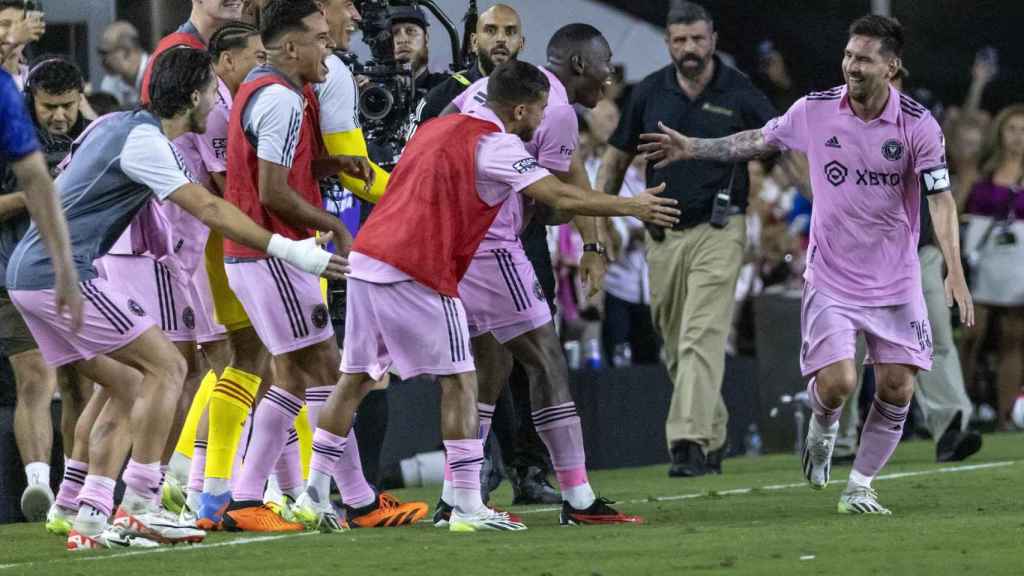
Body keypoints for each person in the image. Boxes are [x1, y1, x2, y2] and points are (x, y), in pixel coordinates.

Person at [292, 59, 677, 533]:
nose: (543, 120)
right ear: (519, 110)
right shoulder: (493, 145)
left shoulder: (439, 125)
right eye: (539, 110)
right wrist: (631, 206)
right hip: (420, 267)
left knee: (353, 380)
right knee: (464, 381)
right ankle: (468, 503)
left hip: (369, 259)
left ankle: (313, 493)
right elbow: (560, 195)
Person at [5, 46, 347, 550]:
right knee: (167, 368)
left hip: (29, 273)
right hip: (55, 274)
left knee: (124, 383)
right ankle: (143, 503)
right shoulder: (144, 141)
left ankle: (92, 515)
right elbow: (208, 206)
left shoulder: (117, 124)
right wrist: (293, 252)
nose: (217, 100)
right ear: (192, 96)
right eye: (213, 90)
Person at [639, 14, 973, 514]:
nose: (851, 66)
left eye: (863, 58)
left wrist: (954, 269)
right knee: (838, 382)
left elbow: (941, 200)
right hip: (833, 276)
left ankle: (859, 485)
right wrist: (694, 148)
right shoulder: (814, 110)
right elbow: (757, 140)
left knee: (899, 385)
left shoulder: (917, 124)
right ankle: (822, 427)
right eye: (848, 55)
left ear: (891, 65)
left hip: (896, 279)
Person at [428, 23, 642, 526]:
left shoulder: (493, 87)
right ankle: (580, 497)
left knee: (489, 367)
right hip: (493, 244)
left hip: (452, 245)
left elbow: (436, 131)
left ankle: (454, 495)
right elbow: (553, 199)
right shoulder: (557, 106)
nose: (609, 77)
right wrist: (621, 210)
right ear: (578, 64)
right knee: (547, 360)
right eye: (605, 63)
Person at [213, 0, 414, 533]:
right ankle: (346, 498)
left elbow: (275, 169)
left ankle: (261, 498)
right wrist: (338, 225)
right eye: (321, 39)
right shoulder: (279, 97)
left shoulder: (273, 87)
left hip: (260, 256)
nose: (331, 47)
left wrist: (327, 163)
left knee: (296, 376)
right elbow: (272, 191)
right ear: (291, 47)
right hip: (273, 255)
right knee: (327, 370)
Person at [596, 1, 777, 478]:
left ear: (713, 39)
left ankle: (688, 443)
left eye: (697, 39)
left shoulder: (737, 91)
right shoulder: (649, 92)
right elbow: (614, 161)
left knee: (701, 335)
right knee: (675, 346)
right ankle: (713, 433)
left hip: (720, 229)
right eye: (680, 40)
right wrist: (600, 226)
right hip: (661, 233)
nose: (689, 49)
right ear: (668, 43)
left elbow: (778, 139)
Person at [414, 3, 560, 507]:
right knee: (466, 359)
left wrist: (592, 242)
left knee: (527, 359)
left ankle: (531, 469)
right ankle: (471, 475)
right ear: (473, 38)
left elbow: (567, 171)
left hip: (526, 238)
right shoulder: (444, 96)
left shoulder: (544, 96)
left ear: (522, 41)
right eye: (491, 30)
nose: (500, 39)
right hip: (464, 246)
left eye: (510, 32)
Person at [0, 55, 93, 524]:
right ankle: (39, 486)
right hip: (12, 275)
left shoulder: (90, 135)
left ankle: (75, 490)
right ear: (29, 100)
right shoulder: (9, 137)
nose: (59, 115)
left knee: (82, 384)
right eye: (48, 106)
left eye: (68, 105)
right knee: (36, 380)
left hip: (77, 275)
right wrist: (40, 191)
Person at [960, 104, 1024, 431]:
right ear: (1000, 132)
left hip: (1019, 260)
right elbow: (955, 209)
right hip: (980, 258)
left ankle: (1004, 417)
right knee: (972, 333)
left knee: (1013, 339)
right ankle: (959, 408)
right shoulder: (981, 169)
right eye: (1012, 129)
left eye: (1023, 130)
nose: (1017, 137)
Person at [389, 5, 447, 100]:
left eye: (411, 31)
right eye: (394, 33)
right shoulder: (370, 92)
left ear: (426, 38)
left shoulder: (448, 88)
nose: (402, 40)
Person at [97, 21, 149, 106]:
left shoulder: (159, 73)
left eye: (105, 53)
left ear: (126, 53)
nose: (102, 60)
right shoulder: (110, 83)